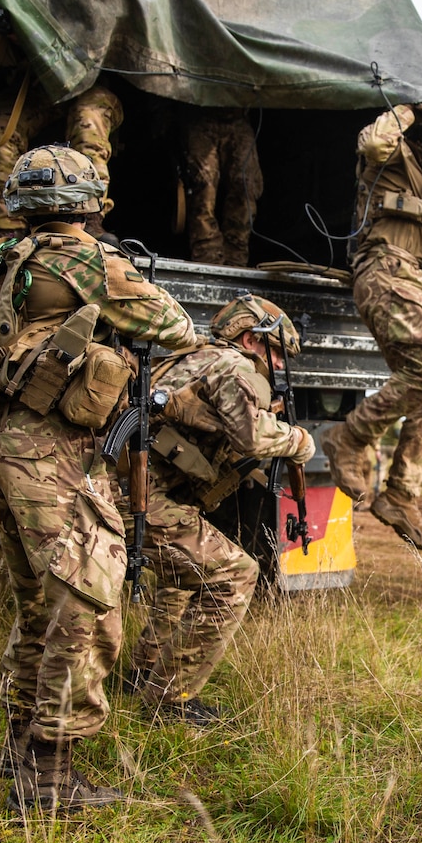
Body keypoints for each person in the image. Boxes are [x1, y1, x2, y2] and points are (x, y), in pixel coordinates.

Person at [0, 145, 201, 812]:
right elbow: (176, 327)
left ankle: (18, 756)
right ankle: (51, 781)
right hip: (49, 448)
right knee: (86, 606)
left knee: (39, 603)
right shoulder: (86, 260)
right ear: (93, 200)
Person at [120, 292, 316, 724]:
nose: (280, 365)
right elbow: (251, 437)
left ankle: (141, 672)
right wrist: (301, 441)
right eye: (277, 352)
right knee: (234, 574)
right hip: (139, 497)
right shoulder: (234, 366)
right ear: (249, 339)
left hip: (125, 489)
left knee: (181, 574)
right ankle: (169, 702)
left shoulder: (190, 357)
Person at [319, 103, 422, 553]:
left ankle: (402, 496)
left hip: (409, 284)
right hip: (383, 272)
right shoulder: (396, 156)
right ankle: (348, 438)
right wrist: (409, 110)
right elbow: (371, 140)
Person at [0, 0, 124, 239]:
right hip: (35, 91)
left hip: (86, 88)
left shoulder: (75, 7)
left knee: (88, 119)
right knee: (3, 130)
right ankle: (9, 231)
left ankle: (91, 220)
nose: (17, 38)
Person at [177, 107, 263, 267]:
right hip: (201, 115)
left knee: (246, 187)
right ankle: (207, 258)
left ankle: (236, 260)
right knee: (202, 188)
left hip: (239, 116)